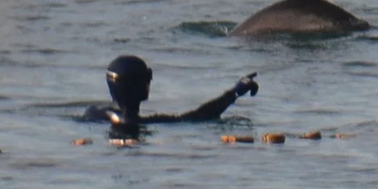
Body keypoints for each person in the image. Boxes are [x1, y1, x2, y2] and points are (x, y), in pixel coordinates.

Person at [83, 55, 258, 136]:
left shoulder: (92, 112)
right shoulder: (137, 124)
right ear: (138, 85)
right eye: (148, 78)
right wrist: (234, 93)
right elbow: (197, 117)